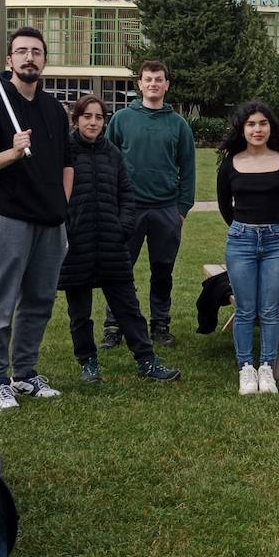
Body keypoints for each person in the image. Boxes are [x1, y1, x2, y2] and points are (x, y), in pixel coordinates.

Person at [0, 27, 73, 412]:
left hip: (50, 222)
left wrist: (63, 207)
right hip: (8, 218)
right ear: (9, 60)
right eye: (21, 52)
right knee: (1, 302)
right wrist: (10, 154)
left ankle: (25, 374)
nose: (30, 58)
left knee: (40, 301)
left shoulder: (53, 108)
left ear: (45, 60)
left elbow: (66, 162)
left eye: (37, 52)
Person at [58, 95, 181, 386]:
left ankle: (146, 361)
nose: (93, 122)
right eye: (87, 116)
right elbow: (55, 194)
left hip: (111, 244)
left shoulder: (112, 153)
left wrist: (123, 227)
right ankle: (88, 362)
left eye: (99, 117)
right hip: (77, 245)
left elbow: (126, 194)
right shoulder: (64, 152)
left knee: (128, 307)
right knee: (80, 312)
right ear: (77, 119)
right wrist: (67, 228)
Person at [100, 60, 196, 349]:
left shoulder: (178, 125)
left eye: (158, 79)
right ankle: (114, 324)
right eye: (148, 79)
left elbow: (188, 169)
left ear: (167, 85)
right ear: (139, 84)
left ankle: (160, 324)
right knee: (119, 269)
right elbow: (107, 162)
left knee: (162, 270)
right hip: (128, 208)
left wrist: (181, 209)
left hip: (166, 209)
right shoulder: (121, 120)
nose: (153, 84)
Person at [217, 100, 279, 395]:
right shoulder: (230, 162)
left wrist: (273, 226)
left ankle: (267, 368)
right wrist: (245, 228)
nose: (257, 129)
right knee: (244, 309)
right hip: (241, 241)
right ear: (242, 128)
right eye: (251, 124)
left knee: (268, 309)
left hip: (277, 241)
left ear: (271, 127)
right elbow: (224, 205)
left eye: (262, 123)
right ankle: (246, 369)